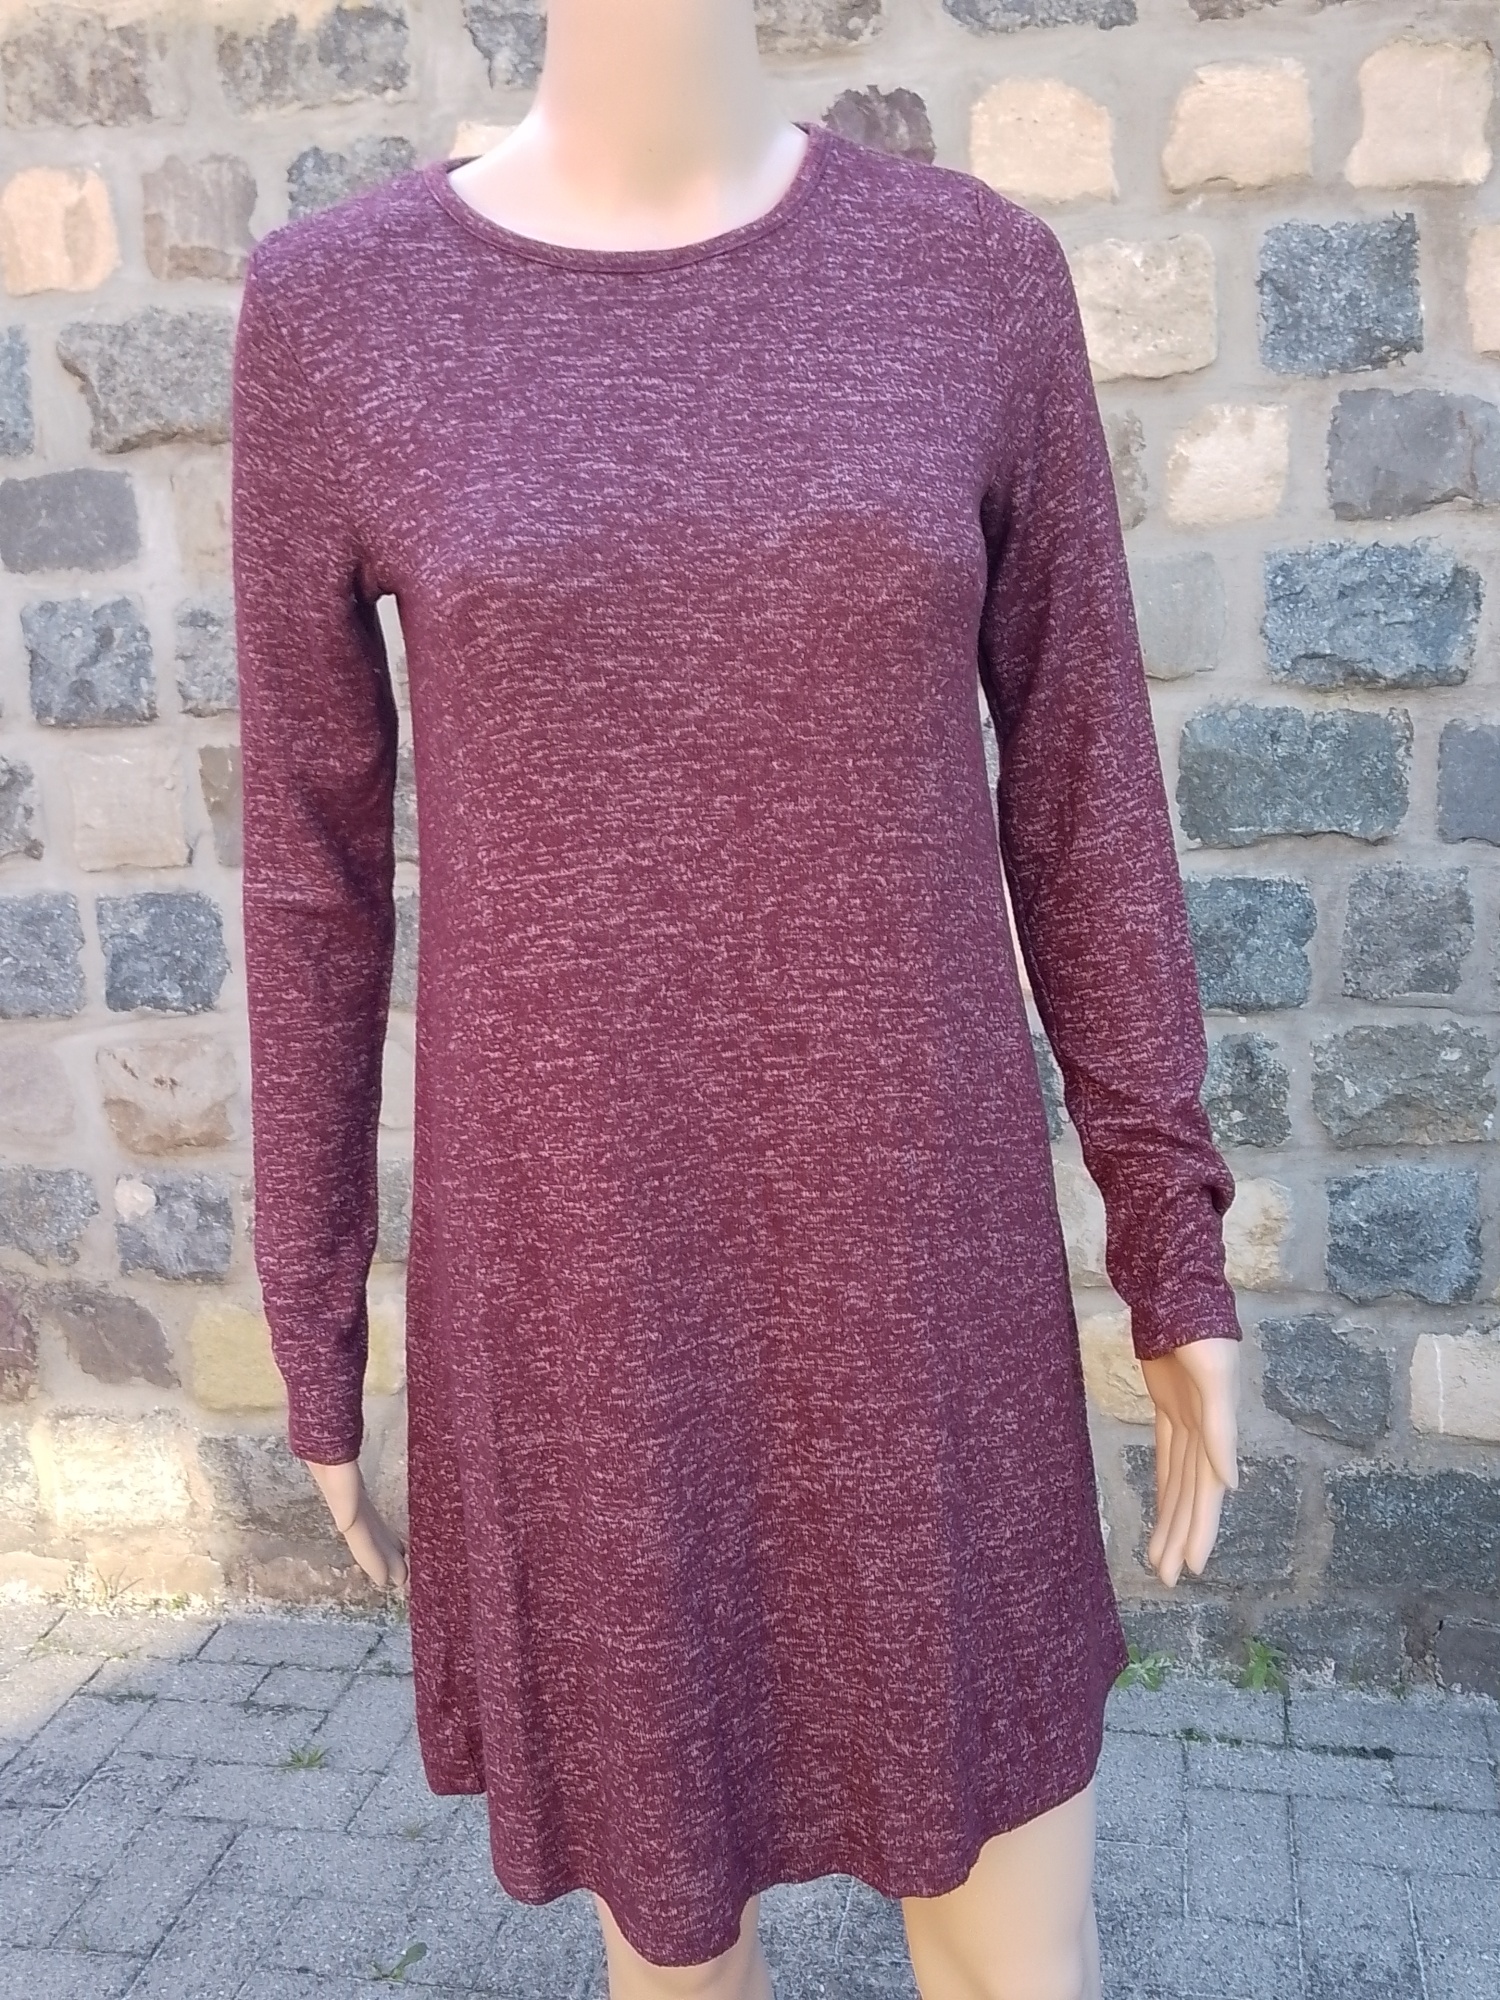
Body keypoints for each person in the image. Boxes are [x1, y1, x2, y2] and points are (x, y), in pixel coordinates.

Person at [229, 4, 1243, 1995]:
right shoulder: (340, 316)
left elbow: (1086, 797)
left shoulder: (973, 280)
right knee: (675, 1946)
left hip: (923, 1284)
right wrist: (314, 1311)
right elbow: (310, 875)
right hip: (591, 1293)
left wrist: (1171, 1240)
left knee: (1017, 1954)